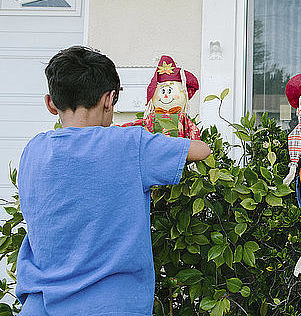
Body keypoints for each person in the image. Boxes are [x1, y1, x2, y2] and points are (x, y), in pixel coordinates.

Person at [16, 46, 211, 315]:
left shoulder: (33, 150)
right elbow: (201, 150)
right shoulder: (130, 145)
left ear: (51, 103)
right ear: (109, 100)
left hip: (40, 306)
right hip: (112, 306)